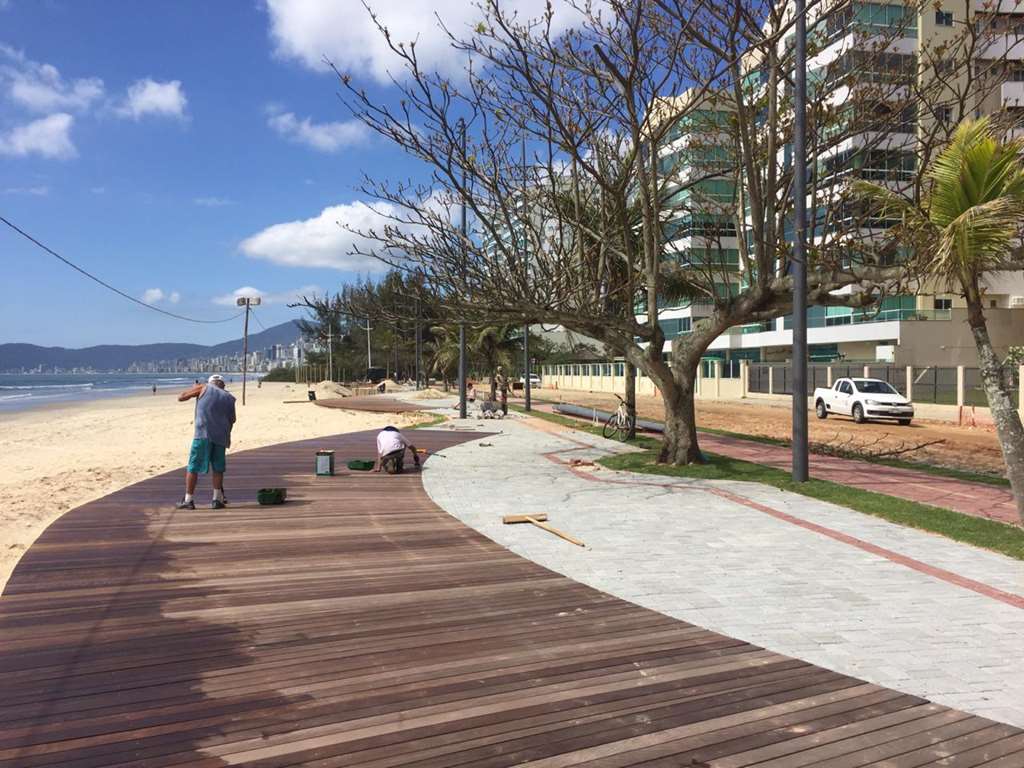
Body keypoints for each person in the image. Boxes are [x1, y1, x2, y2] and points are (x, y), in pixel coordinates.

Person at [175, 374, 236, 509]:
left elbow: (181, 397)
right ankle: (216, 500)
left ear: (210, 383)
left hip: (203, 434)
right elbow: (233, 419)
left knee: (193, 466)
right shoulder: (230, 398)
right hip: (221, 436)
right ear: (223, 385)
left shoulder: (205, 387)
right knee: (218, 469)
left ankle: (188, 500)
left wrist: (195, 389)